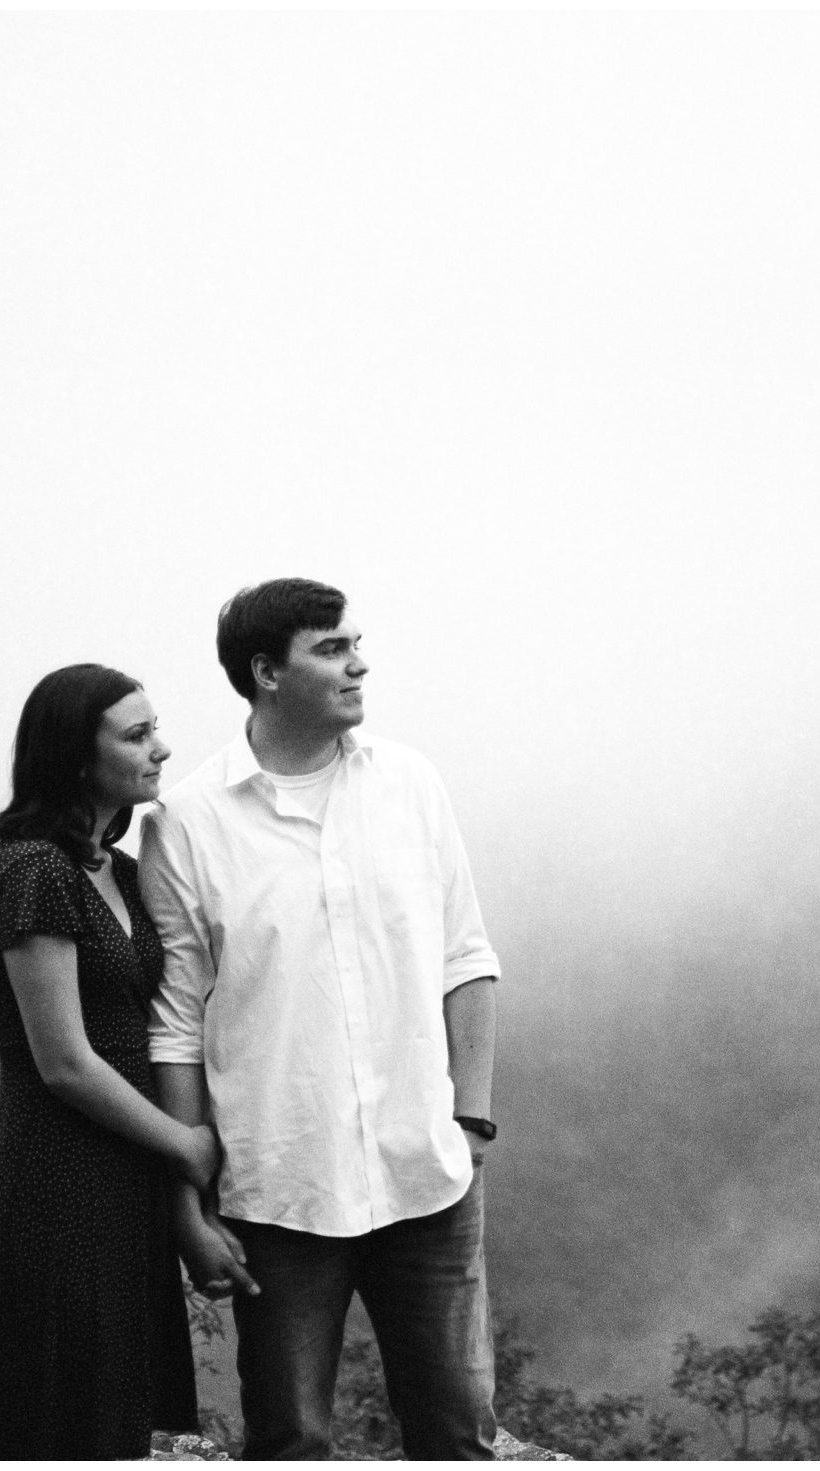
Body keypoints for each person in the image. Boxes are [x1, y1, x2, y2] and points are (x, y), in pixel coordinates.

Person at [140, 578, 502, 1460]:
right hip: (281, 1192)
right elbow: (175, 1024)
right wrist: (187, 1203)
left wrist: (471, 1121)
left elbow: (465, 958)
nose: (359, 663)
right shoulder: (187, 821)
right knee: (291, 1439)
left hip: (428, 1177)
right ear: (267, 672)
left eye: (355, 643)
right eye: (333, 648)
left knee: (458, 1434)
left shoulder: (410, 783)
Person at [0, 663, 220, 1459]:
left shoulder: (123, 872)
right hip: (53, 1186)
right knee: (57, 1417)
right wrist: (186, 1145)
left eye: (155, 728)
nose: (161, 749)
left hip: (126, 1185)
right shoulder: (34, 870)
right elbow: (63, 1060)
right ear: (75, 758)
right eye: (137, 735)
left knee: (115, 1421)